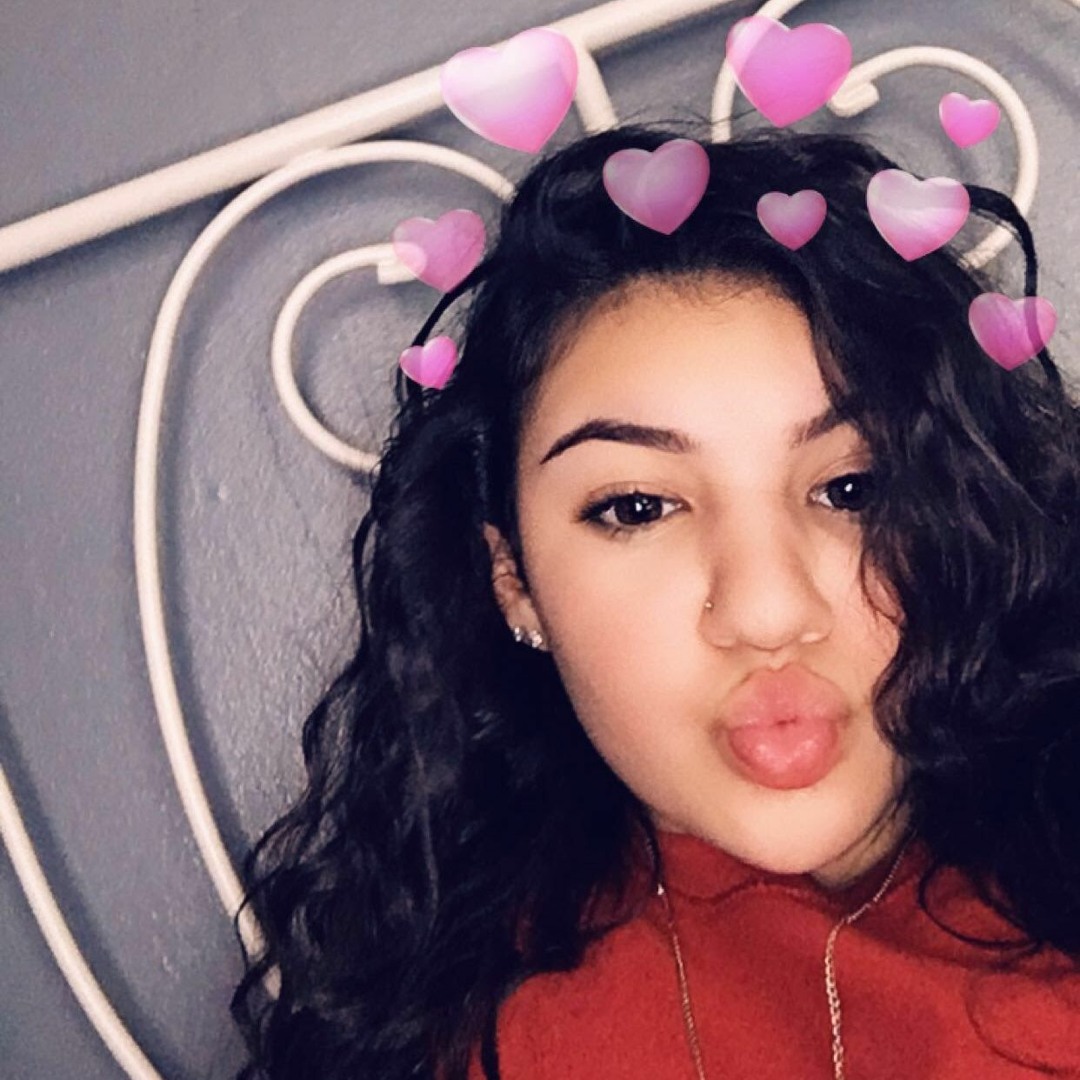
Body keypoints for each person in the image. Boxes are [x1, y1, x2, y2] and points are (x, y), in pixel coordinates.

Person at [230, 124, 1080, 1080]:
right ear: (515, 581)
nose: (767, 612)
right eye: (637, 507)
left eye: (854, 488)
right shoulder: (451, 1030)